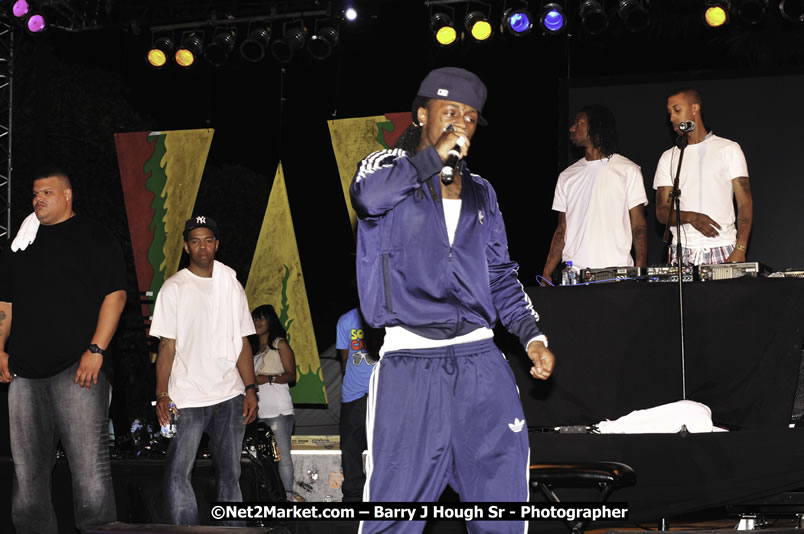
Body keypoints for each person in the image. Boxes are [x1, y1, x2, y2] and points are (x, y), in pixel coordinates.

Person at [350, 67, 555, 534]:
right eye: (450, 113)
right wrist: (430, 159)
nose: (461, 124)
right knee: (392, 515)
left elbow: (502, 276)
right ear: (422, 114)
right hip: (411, 362)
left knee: (501, 508)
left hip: (481, 360)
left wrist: (531, 336)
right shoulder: (385, 169)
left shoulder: (483, 192)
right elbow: (367, 199)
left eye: (470, 117)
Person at [0, 168, 127, 534]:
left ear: (68, 195)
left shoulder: (95, 236)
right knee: (26, 476)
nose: (37, 199)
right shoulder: (21, 245)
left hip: (78, 369)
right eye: (35, 194)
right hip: (24, 373)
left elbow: (115, 296)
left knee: (90, 474)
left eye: (47, 192)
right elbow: (4, 303)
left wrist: (96, 349)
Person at [150, 215, 258, 526]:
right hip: (188, 395)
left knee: (230, 473)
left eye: (208, 240)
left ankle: (233, 530)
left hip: (229, 394)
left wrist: (251, 389)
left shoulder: (231, 285)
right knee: (178, 471)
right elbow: (166, 347)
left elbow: (242, 343)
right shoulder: (174, 288)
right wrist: (162, 393)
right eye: (195, 240)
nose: (202, 246)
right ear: (186, 246)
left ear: (217, 245)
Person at [541, 105, 648, 282]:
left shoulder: (628, 170)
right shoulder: (567, 176)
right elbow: (562, 229)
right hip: (575, 276)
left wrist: (639, 270)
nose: (572, 128)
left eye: (579, 123)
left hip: (618, 275)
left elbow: (638, 226)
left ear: (596, 127)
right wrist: (547, 271)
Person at [654, 88, 753, 265]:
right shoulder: (669, 157)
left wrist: (741, 248)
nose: (672, 119)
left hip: (722, 247)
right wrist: (692, 217)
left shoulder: (728, 149)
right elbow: (662, 212)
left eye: (677, 110)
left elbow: (744, 203)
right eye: (669, 113)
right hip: (682, 251)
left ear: (695, 108)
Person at [251, 303, 296, 501]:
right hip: (256, 411)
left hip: (278, 410)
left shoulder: (280, 344)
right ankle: (267, 496)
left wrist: (268, 378)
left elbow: (292, 375)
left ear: (270, 321)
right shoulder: (251, 350)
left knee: (283, 457)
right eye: (254, 319)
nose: (257, 322)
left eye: (261, 318)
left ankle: (287, 498)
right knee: (258, 459)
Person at [336, 306, 382, 502]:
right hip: (354, 394)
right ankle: (353, 496)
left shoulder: (386, 315)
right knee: (349, 447)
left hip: (383, 392)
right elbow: (344, 358)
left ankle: (381, 493)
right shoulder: (346, 320)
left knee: (383, 445)